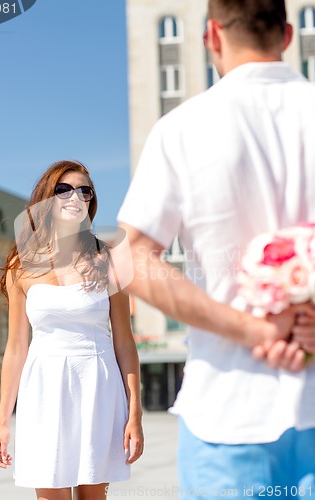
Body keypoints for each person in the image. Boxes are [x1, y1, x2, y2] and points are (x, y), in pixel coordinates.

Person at [117, 0, 315, 498]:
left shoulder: (182, 127)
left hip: (228, 411)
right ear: (287, 35)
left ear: (211, 36)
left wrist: (253, 328)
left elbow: (133, 259)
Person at [0, 160, 144, 500]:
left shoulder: (110, 259)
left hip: (97, 386)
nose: (76, 197)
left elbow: (124, 342)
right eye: (64, 189)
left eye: (85, 191)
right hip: (43, 389)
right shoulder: (20, 265)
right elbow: (16, 348)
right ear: (47, 199)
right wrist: (3, 421)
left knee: (93, 496)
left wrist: (135, 413)